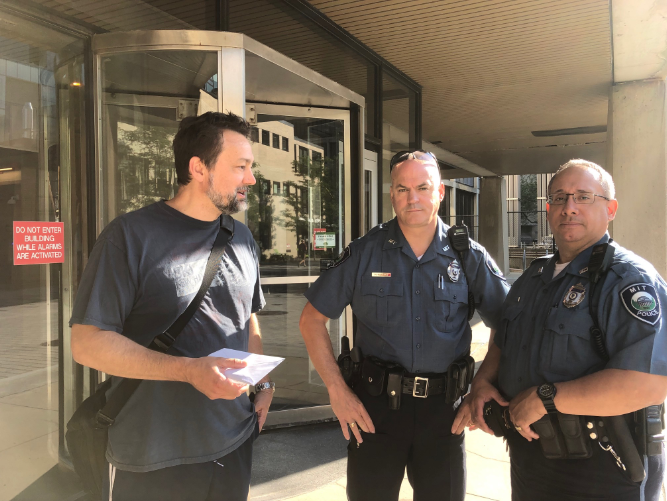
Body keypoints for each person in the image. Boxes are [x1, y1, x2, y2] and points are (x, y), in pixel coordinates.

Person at [70, 112, 274, 501]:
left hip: (235, 441)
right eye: (240, 167)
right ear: (199, 168)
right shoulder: (129, 236)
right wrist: (188, 371)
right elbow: (87, 343)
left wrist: (261, 385)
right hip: (152, 456)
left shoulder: (242, 237)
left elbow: (248, 317)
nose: (250, 179)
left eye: (251, 168)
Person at [299, 150, 510, 501]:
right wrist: (337, 392)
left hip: (445, 414)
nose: (413, 198)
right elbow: (311, 319)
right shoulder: (365, 252)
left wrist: (482, 386)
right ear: (392, 194)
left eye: (423, 187)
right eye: (402, 189)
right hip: (375, 412)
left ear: (440, 192)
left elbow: (507, 323)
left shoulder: (467, 256)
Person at [454, 159, 667, 501]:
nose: (569, 208)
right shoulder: (532, 279)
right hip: (532, 462)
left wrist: (545, 398)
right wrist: (481, 383)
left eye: (583, 197)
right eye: (559, 197)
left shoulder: (628, 280)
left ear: (610, 209)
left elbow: (649, 385)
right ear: (549, 209)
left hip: (604, 470)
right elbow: (503, 339)